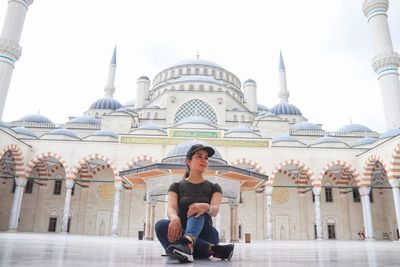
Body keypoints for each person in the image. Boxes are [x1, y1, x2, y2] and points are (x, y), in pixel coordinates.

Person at [155, 144, 234, 263]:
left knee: (197, 209)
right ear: (189, 162)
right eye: (199, 156)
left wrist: (205, 207)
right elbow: (171, 208)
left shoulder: (214, 187)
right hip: (184, 233)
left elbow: (214, 210)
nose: (204, 159)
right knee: (161, 225)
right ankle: (211, 249)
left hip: (207, 235)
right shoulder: (176, 186)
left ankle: (187, 244)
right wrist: (174, 218)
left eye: (206, 158)